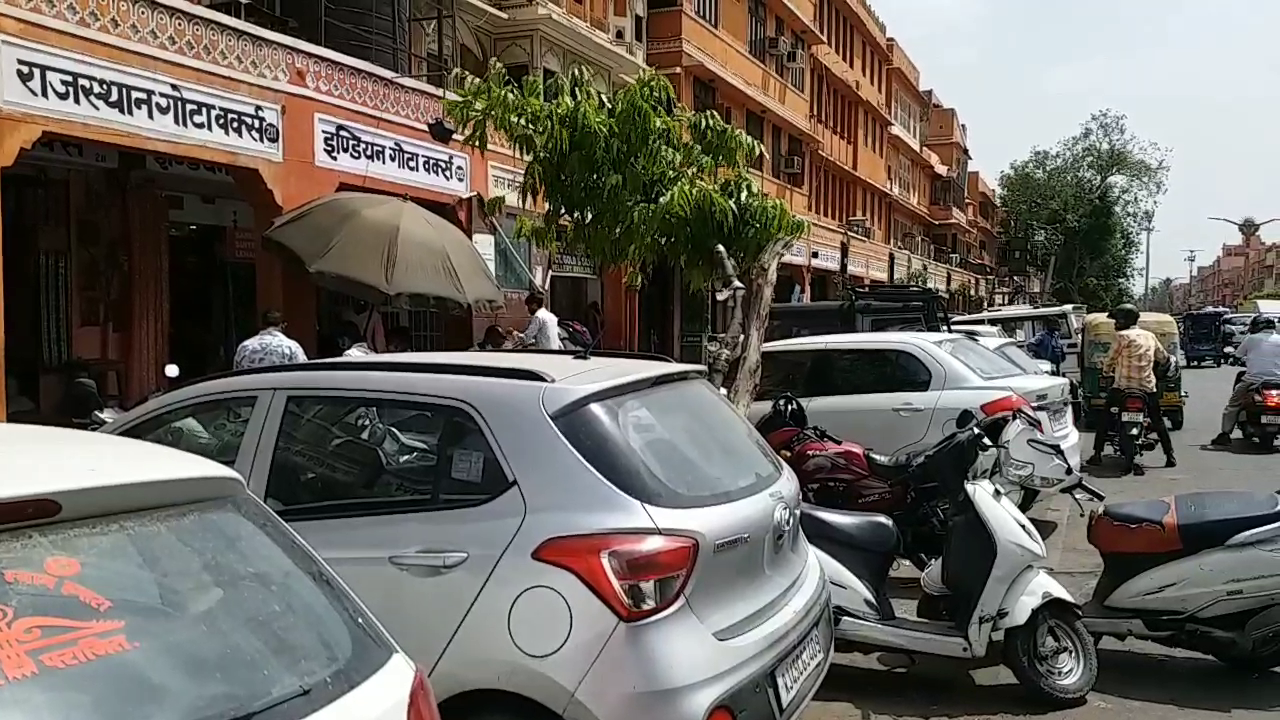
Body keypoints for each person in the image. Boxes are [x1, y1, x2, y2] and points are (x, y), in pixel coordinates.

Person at [1085, 303, 1175, 474]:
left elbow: (1110, 360)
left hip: (1122, 388)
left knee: (1104, 418)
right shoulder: (1150, 336)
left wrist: (1105, 372)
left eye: (1116, 321)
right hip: (1147, 388)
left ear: (1122, 320)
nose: (1114, 324)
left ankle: (1097, 454)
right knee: (1158, 421)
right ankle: (1170, 456)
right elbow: (1163, 358)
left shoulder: (1121, 337)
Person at [1211, 314, 1280, 446]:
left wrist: (1234, 358)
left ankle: (1225, 434)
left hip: (1254, 380)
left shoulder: (1251, 339)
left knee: (1233, 405)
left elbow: (1237, 355)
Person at [233, 310, 308, 370]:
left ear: (262, 325)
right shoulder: (292, 347)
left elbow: (236, 372)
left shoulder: (244, 347)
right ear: (283, 325)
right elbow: (303, 372)